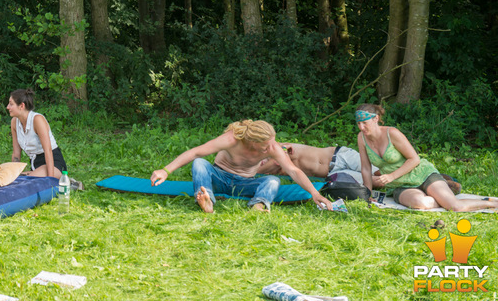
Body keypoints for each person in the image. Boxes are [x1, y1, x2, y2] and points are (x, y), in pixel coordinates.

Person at [149, 119, 332, 213]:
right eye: (266, 145)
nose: (273, 147)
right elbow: (196, 152)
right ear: (251, 142)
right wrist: (165, 170)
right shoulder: (232, 139)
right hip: (219, 177)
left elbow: (293, 170)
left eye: (273, 142)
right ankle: (207, 200)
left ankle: (258, 205)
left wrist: (315, 194)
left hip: (245, 183)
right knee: (199, 164)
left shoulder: (272, 146)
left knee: (273, 180)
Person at [355, 103, 498, 212]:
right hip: (400, 186)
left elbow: (414, 159)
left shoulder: (392, 133)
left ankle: (490, 203)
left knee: (455, 207)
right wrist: (367, 193)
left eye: (364, 123)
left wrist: (391, 176)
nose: (361, 127)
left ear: (376, 119)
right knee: (421, 203)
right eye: (358, 123)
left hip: (421, 174)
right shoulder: (361, 138)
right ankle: (443, 192)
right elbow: (366, 168)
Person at [8, 89, 80, 187]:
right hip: (36, 164)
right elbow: (16, 153)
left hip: (53, 163)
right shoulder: (14, 122)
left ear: (22, 106)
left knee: (25, 182)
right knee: (15, 179)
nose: (8, 107)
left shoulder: (37, 120)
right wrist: (12, 174)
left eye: (11, 104)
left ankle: (66, 182)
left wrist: (50, 180)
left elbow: (48, 150)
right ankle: (58, 180)